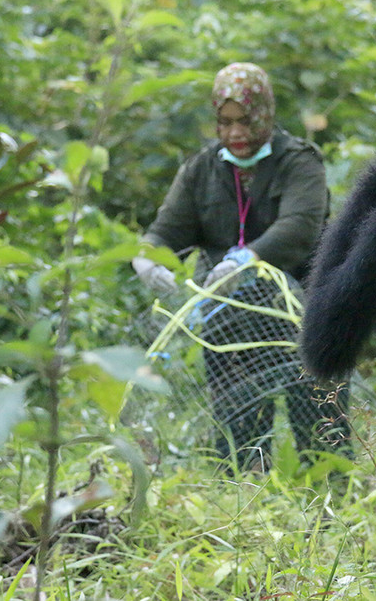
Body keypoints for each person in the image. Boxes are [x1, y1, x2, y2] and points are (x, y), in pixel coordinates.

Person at [132, 62, 345, 467]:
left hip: (299, 309)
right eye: (225, 122)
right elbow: (167, 229)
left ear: (264, 113)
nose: (235, 133)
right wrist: (147, 257)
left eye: (245, 120)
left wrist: (247, 259)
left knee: (319, 417)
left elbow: (300, 227)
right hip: (230, 319)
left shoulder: (299, 162)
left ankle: (330, 498)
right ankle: (245, 487)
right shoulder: (202, 169)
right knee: (239, 429)